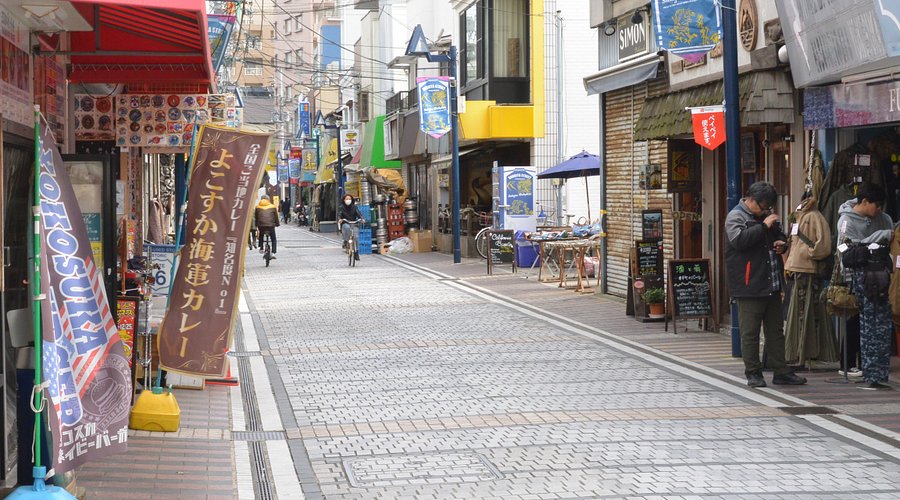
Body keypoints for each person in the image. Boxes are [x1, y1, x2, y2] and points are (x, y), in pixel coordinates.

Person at [725, 181, 807, 388]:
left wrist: (781, 243)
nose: (765, 210)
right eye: (762, 206)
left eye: (768, 207)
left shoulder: (765, 216)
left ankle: (781, 371)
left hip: (772, 281)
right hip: (748, 284)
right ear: (750, 200)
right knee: (750, 332)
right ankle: (753, 373)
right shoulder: (736, 216)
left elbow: (776, 234)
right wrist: (763, 226)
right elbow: (739, 241)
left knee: (776, 331)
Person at [836, 184, 894, 389]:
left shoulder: (884, 219)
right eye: (875, 205)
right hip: (858, 277)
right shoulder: (846, 221)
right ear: (864, 202)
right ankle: (859, 367)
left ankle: (879, 373)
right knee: (863, 324)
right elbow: (848, 250)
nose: (878, 210)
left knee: (882, 325)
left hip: (884, 276)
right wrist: (881, 237)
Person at [784, 192, 838, 368]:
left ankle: (805, 353)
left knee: (806, 311)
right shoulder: (801, 216)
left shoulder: (813, 216)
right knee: (801, 311)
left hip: (806, 268)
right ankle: (800, 353)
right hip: (798, 268)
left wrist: (808, 254)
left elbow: (823, 245)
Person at [339, 194, 365, 261]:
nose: (348, 200)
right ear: (344, 200)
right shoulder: (341, 207)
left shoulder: (354, 207)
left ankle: (356, 252)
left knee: (356, 236)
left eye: (349, 199)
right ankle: (345, 241)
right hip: (345, 223)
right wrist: (340, 219)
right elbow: (339, 215)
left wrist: (362, 218)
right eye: (346, 199)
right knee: (347, 228)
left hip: (354, 223)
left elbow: (358, 213)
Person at [255, 195, 280, 259]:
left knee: (261, 235)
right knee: (273, 239)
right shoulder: (272, 206)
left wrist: (256, 225)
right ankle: (273, 253)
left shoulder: (257, 207)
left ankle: (261, 247)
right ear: (268, 199)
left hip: (261, 226)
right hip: (271, 226)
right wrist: (277, 224)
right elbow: (276, 217)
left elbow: (256, 217)